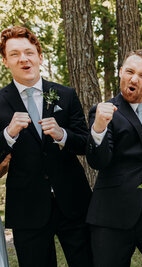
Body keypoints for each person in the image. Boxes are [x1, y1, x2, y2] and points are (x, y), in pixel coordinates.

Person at [0, 26, 92, 267]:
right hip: (26, 208)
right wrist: (8, 134)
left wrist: (63, 135)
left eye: (29, 52)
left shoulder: (66, 94)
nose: (23, 59)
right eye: (14, 54)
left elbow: (85, 144)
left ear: (40, 56)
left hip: (73, 201)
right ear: (5, 61)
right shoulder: (0, 101)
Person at [86, 49, 142, 267]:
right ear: (120, 72)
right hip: (111, 217)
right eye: (130, 71)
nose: (134, 78)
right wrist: (98, 128)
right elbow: (98, 162)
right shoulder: (103, 111)